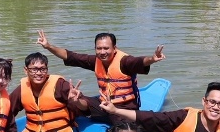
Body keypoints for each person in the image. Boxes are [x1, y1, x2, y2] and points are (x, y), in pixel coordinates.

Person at [36, 30, 165, 122]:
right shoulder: (95, 61)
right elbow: (70, 56)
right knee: (72, 101)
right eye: (99, 48)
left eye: (106, 48)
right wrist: (48, 46)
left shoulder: (125, 62)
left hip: (124, 109)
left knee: (123, 131)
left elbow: (140, 61)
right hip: (104, 105)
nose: (102, 52)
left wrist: (152, 59)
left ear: (114, 48)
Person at [8, 51, 88, 132]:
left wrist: (77, 101)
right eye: (34, 69)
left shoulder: (60, 85)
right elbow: (7, 112)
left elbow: (85, 107)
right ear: (26, 70)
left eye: (42, 69)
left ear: (47, 70)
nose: (38, 73)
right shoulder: (22, 89)